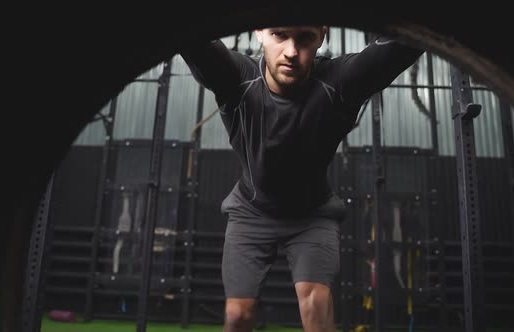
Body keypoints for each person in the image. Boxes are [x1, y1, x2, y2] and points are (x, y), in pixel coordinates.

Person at [180, 25, 423, 332]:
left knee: (316, 306)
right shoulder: (236, 78)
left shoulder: (340, 83)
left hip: (312, 216)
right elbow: (195, 42)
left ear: (322, 35)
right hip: (251, 213)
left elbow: (396, 50)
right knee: (237, 316)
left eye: (305, 38)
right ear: (259, 32)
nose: (292, 52)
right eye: (279, 35)